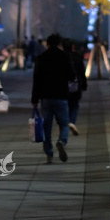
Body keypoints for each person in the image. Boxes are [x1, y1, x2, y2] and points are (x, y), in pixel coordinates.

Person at [31, 33, 74, 164]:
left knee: (46, 127)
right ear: (60, 44)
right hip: (61, 96)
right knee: (64, 124)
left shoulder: (41, 58)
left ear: (47, 44)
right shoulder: (65, 56)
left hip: (45, 97)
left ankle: (49, 154)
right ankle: (62, 141)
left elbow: (36, 79)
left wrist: (34, 98)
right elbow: (72, 76)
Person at [63, 38, 87, 136]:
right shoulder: (77, 56)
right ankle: (72, 122)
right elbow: (82, 72)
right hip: (76, 86)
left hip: (64, 87)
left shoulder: (61, 57)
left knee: (66, 105)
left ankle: (67, 122)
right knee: (75, 105)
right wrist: (84, 85)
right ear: (72, 46)